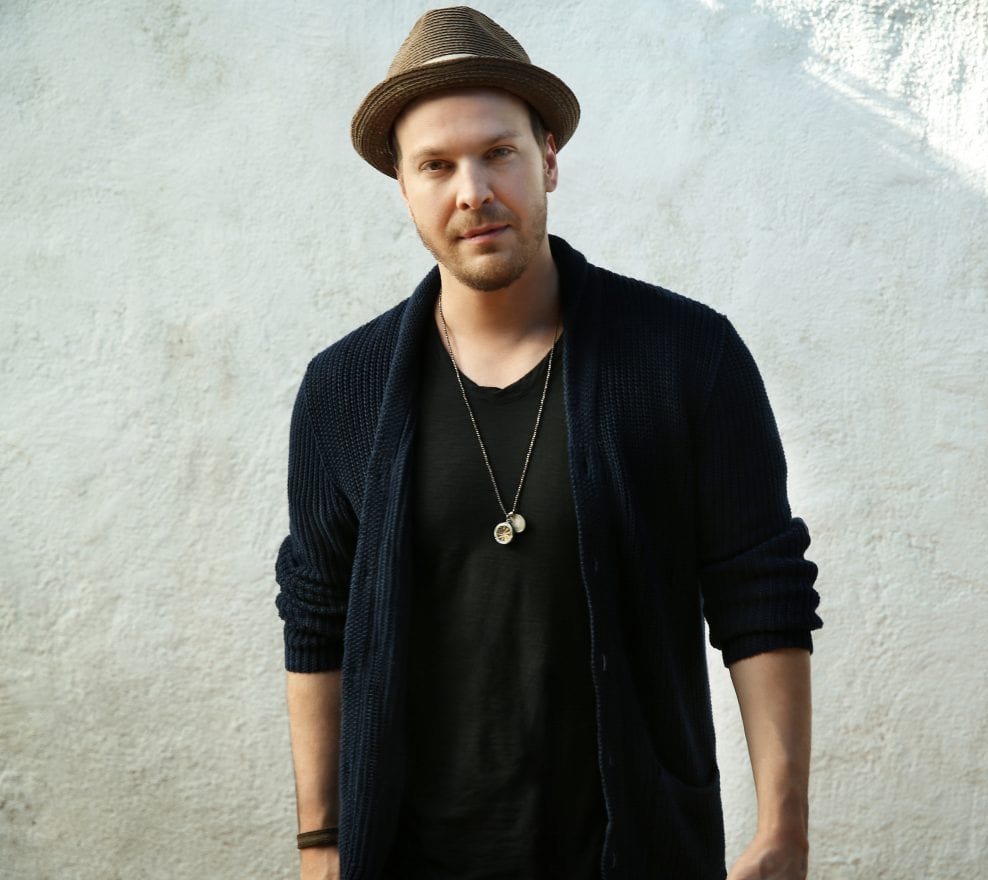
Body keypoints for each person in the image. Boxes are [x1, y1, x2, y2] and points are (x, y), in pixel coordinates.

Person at [275, 7, 822, 879]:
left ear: (549, 159)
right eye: (436, 165)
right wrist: (321, 845)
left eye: (499, 152)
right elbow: (317, 621)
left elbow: (761, 589)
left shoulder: (686, 356)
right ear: (403, 187)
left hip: (635, 855)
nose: (473, 191)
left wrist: (783, 832)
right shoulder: (344, 390)